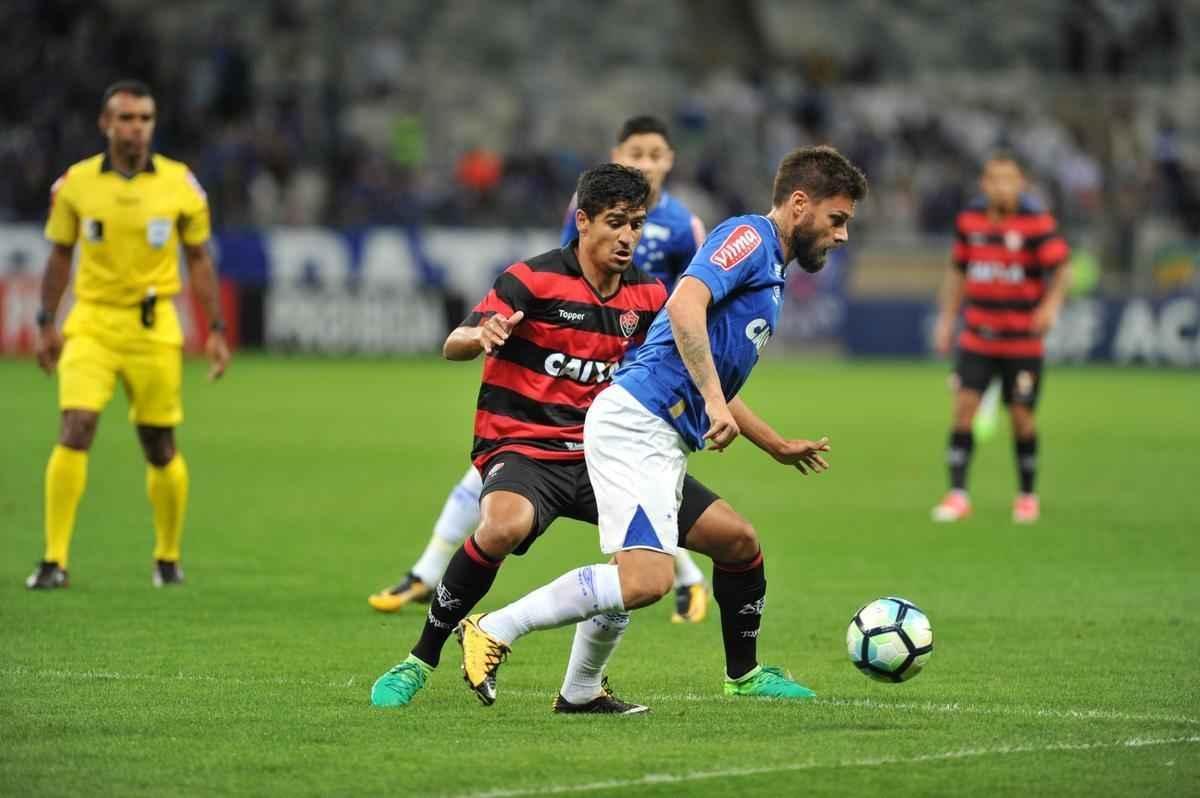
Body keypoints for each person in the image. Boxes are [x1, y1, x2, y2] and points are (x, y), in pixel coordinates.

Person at [456, 145, 867, 708]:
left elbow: (717, 367)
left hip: (660, 433)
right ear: (800, 204)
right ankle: (496, 627)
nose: (842, 234)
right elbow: (685, 305)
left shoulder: (770, 268)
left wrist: (770, 442)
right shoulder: (748, 238)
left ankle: (689, 680)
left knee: (737, 542)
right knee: (645, 580)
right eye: (837, 219)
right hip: (637, 424)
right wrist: (714, 405)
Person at [367, 115, 712, 624]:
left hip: (630, 366)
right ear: (617, 155)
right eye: (636, 153)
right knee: (501, 482)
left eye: (656, 154)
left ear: (671, 162)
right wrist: (494, 332)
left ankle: (677, 584)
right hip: (577, 360)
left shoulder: (686, 227)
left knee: (641, 494)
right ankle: (429, 576)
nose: (646, 163)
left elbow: (688, 301)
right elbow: (562, 277)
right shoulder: (580, 221)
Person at [25, 80, 230, 590]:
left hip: (154, 323)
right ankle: (54, 560)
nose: (136, 128)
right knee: (76, 426)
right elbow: (58, 254)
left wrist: (217, 329)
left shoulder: (181, 184)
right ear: (106, 124)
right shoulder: (74, 184)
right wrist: (46, 322)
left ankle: (167, 557)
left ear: (152, 125)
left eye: (144, 118)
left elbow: (200, 259)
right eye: (126, 118)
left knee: (159, 443)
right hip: (92, 321)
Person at [930, 153, 1070, 523]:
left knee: (1022, 416)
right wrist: (946, 319)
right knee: (963, 411)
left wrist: (1051, 306)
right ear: (985, 184)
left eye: (1010, 179)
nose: (1003, 186)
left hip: (1022, 340)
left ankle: (1026, 495)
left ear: (1021, 183)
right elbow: (957, 273)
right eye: (996, 179)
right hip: (978, 336)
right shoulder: (970, 221)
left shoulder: (1037, 223)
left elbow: (1061, 270)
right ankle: (958, 494)